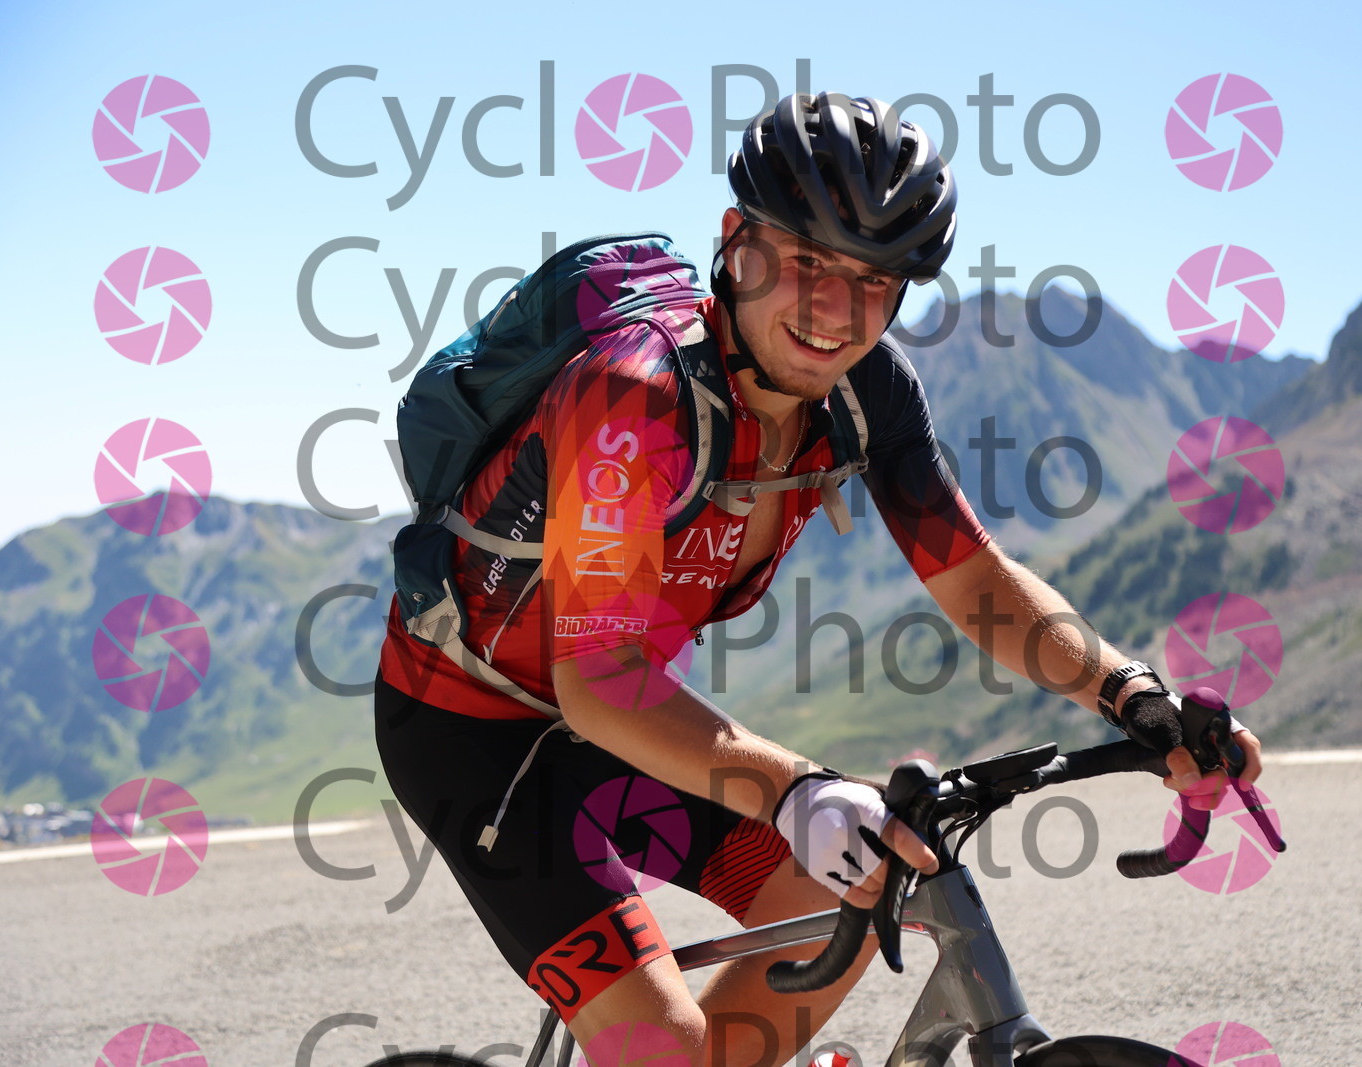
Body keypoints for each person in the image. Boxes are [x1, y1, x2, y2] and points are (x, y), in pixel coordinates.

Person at [375, 91, 1263, 1067]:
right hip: (473, 733)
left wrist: (1130, 692)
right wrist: (798, 788)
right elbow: (600, 679)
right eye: (806, 262)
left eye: (875, 280)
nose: (837, 313)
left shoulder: (867, 393)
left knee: (863, 879)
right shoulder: (634, 395)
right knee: (665, 1053)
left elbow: (977, 581)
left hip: (629, 725)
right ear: (735, 243)